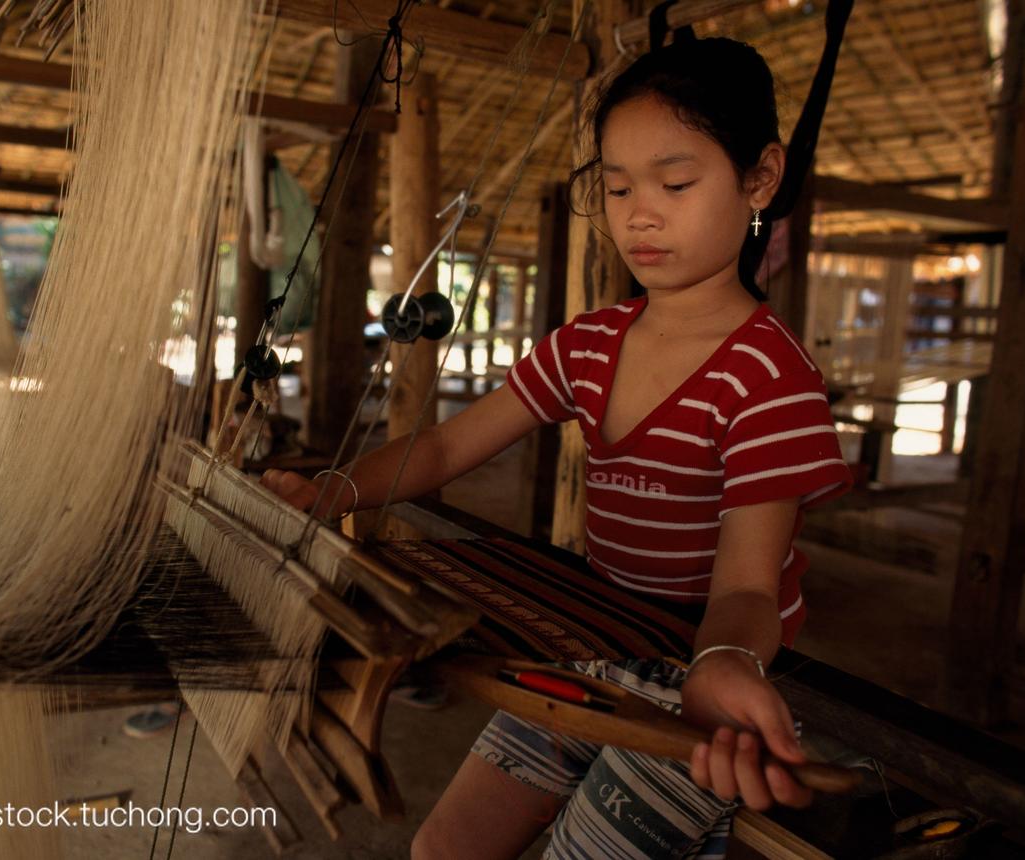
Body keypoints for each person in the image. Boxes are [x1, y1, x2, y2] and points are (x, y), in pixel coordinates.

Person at [262, 34, 852, 860]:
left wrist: (719, 666)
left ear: (759, 178)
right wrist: (334, 491)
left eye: (675, 183)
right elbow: (439, 451)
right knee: (442, 852)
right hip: (597, 641)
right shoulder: (588, 345)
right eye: (616, 187)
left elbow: (750, 588)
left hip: (711, 672)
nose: (639, 214)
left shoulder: (768, 378)